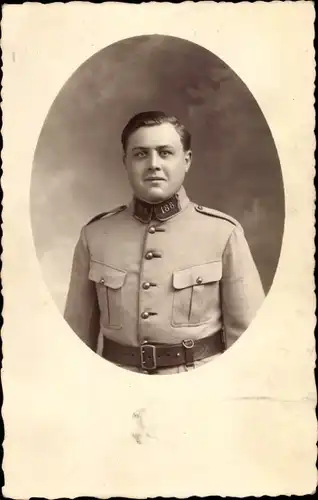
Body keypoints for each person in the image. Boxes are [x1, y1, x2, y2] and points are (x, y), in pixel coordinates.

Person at [64, 110, 265, 374]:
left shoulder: (223, 233)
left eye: (165, 152)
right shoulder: (94, 235)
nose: (153, 164)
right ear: (126, 162)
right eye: (140, 154)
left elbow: (250, 344)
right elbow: (75, 343)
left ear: (187, 160)